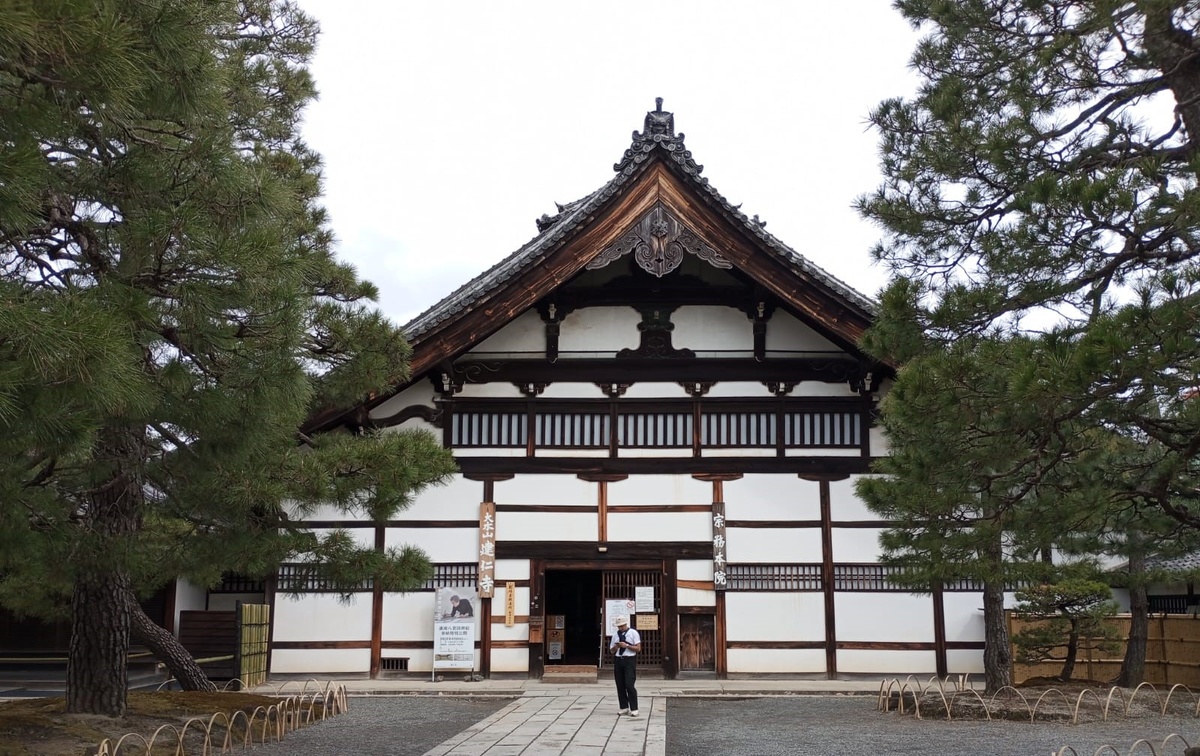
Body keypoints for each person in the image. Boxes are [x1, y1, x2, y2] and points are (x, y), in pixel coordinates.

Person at [608, 614, 641, 717]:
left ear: (626, 624)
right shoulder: (615, 635)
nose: (620, 628)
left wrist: (626, 645)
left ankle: (634, 708)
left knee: (629, 684)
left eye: (622, 626)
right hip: (618, 660)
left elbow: (638, 648)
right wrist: (616, 647)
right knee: (620, 684)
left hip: (629, 659)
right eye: (619, 626)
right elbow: (611, 651)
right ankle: (624, 707)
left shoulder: (633, 633)